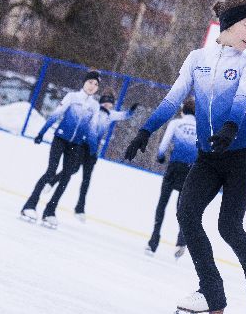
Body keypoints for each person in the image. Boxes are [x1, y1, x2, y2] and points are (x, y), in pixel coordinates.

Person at [124, 0, 246, 314]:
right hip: (208, 157)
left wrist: (230, 129)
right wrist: (144, 132)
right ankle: (212, 293)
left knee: (229, 226)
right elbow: (173, 97)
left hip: (241, 155)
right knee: (186, 213)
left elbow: (242, 100)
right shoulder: (196, 59)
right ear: (229, 22)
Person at [21, 70, 100, 227]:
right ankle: (30, 205)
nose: (92, 86)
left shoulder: (94, 106)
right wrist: (41, 133)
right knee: (51, 171)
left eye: (96, 84)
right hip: (61, 139)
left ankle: (50, 211)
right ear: (84, 83)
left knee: (66, 177)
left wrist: (93, 151)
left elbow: (92, 130)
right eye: (90, 82)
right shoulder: (72, 97)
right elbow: (55, 115)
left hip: (76, 144)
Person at [69, 92, 138, 221]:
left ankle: (80, 208)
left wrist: (132, 110)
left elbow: (124, 115)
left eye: (110, 103)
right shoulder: (94, 110)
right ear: (100, 102)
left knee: (86, 179)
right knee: (72, 169)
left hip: (92, 151)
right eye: (105, 102)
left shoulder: (110, 115)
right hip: (82, 146)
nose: (108, 105)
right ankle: (53, 180)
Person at [145, 98, 197, 257]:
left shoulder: (176, 123)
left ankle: (153, 241)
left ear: (182, 111)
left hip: (174, 167)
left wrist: (161, 156)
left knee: (162, 204)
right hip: (190, 170)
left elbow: (164, 144)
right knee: (182, 208)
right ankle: (181, 240)